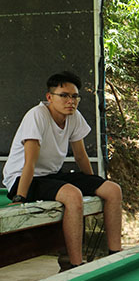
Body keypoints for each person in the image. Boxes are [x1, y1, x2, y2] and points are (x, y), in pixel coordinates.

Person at [2, 71, 122, 268]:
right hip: (21, 178)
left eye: (75, 96)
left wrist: (93, 186)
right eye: (64, 95)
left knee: (113, 190)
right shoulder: (37, 115)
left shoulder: (74, 117)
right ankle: (75, 266)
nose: (70, 101)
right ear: (50, 97)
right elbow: (30, 162)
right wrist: (19, 197)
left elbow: (81, 156)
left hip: (51, 176)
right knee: (72, 195)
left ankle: (115, 255)